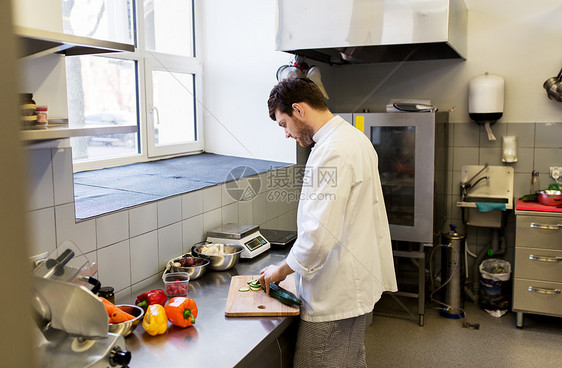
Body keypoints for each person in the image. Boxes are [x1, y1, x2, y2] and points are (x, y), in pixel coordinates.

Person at [259, 77, 397, 367]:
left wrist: (279, 271)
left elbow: (319, 236)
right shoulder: (353, 137)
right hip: (352, 284)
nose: (286, 134)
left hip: (336, 294)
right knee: (350, 360)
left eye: (284, 124)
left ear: (299, 110)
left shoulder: (331, 151)